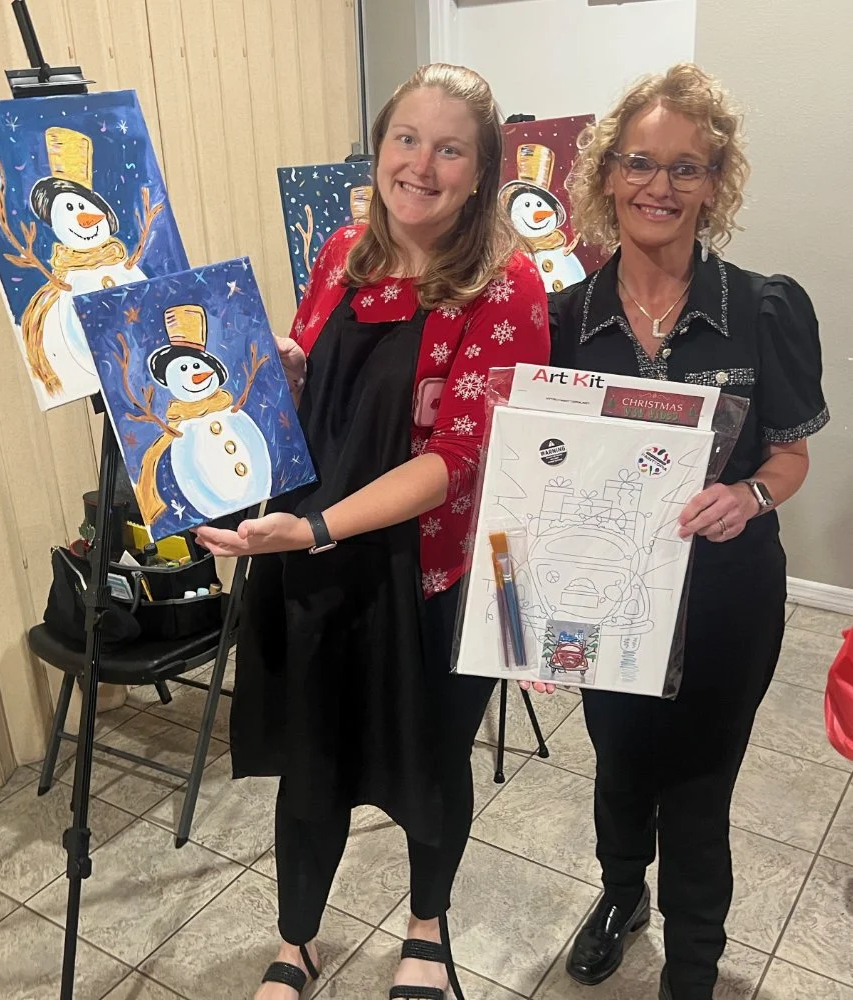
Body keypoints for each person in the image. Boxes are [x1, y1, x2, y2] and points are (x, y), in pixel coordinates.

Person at [193, 63, 550, 1000]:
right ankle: (297, 939)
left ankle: (426, 927)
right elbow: (325, 392)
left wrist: (315, 529)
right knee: (313, 756)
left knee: (430, 759)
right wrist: (285, 372)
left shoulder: (504, 286)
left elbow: (460, 457)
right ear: (379, 144)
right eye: (405, 139)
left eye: (449, 149)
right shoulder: (343, 250)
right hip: (316, 562)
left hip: (429, 575)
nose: (421, 165)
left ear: (481, 171)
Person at [536, 63, 828, 1000]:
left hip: (727, 602)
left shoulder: (764, 308)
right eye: (639, 163)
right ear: (607, 176)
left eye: (686, 168)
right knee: (620, 764)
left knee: (699, 793)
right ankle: (622, 898)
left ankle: (693, 968)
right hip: (604, 594)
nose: (659, 187)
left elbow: (790, 457)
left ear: (716, 182)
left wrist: (753, 497)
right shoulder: (563, 318)